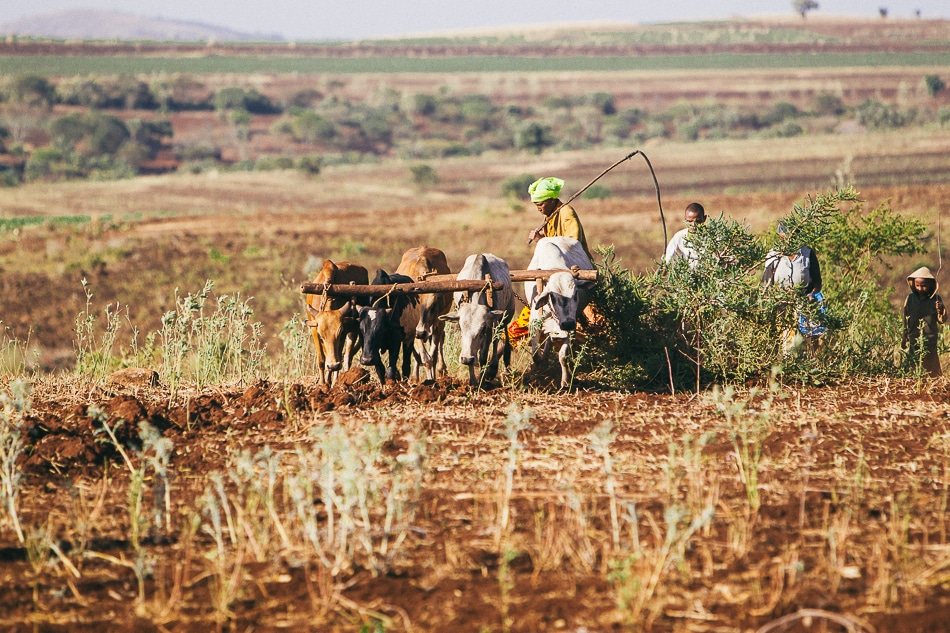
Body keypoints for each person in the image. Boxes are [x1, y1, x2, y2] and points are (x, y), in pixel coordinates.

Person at [762, 223, 825, 353]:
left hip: (805, 301)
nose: (789, 240)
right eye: (786, 237)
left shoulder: (807, 253)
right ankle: (786, 365)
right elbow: (766, 283)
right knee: (786, 338)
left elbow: (817, 282)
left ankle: (811, 363)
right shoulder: (774, 255)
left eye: (793, 236)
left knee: (811, 337)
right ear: (781, 237)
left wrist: (812, 295)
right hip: (782, 302)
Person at [526, 176, 593, 262]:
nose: (538, 209)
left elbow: (573, 244)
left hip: (576, 263)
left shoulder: (567, 212)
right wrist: (543, 235)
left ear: (552, 200)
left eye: (540, 204)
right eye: (536, 205)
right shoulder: (549, 215)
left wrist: (542, 241)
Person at [902, 266, 947, 377]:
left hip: (930, 339)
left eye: (924, 286)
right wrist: (904, 337)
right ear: (913, 285)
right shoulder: (910, 299)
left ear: (930, 285)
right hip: (914, 338)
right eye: (917, 285)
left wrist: (940, 310)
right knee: (913, 364)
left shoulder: (936, 299)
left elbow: (942, 320)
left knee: (932, 367)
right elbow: (905, 318)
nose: (920, 289)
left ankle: (934, 385)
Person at [664, 202, 707, 267]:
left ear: (704, 219)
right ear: (685, 220)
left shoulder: (713, 238)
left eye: (698, 221)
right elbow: (667, 261)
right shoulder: (679, 237)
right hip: (686, 276)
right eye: (690, 221)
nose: (694, 225)